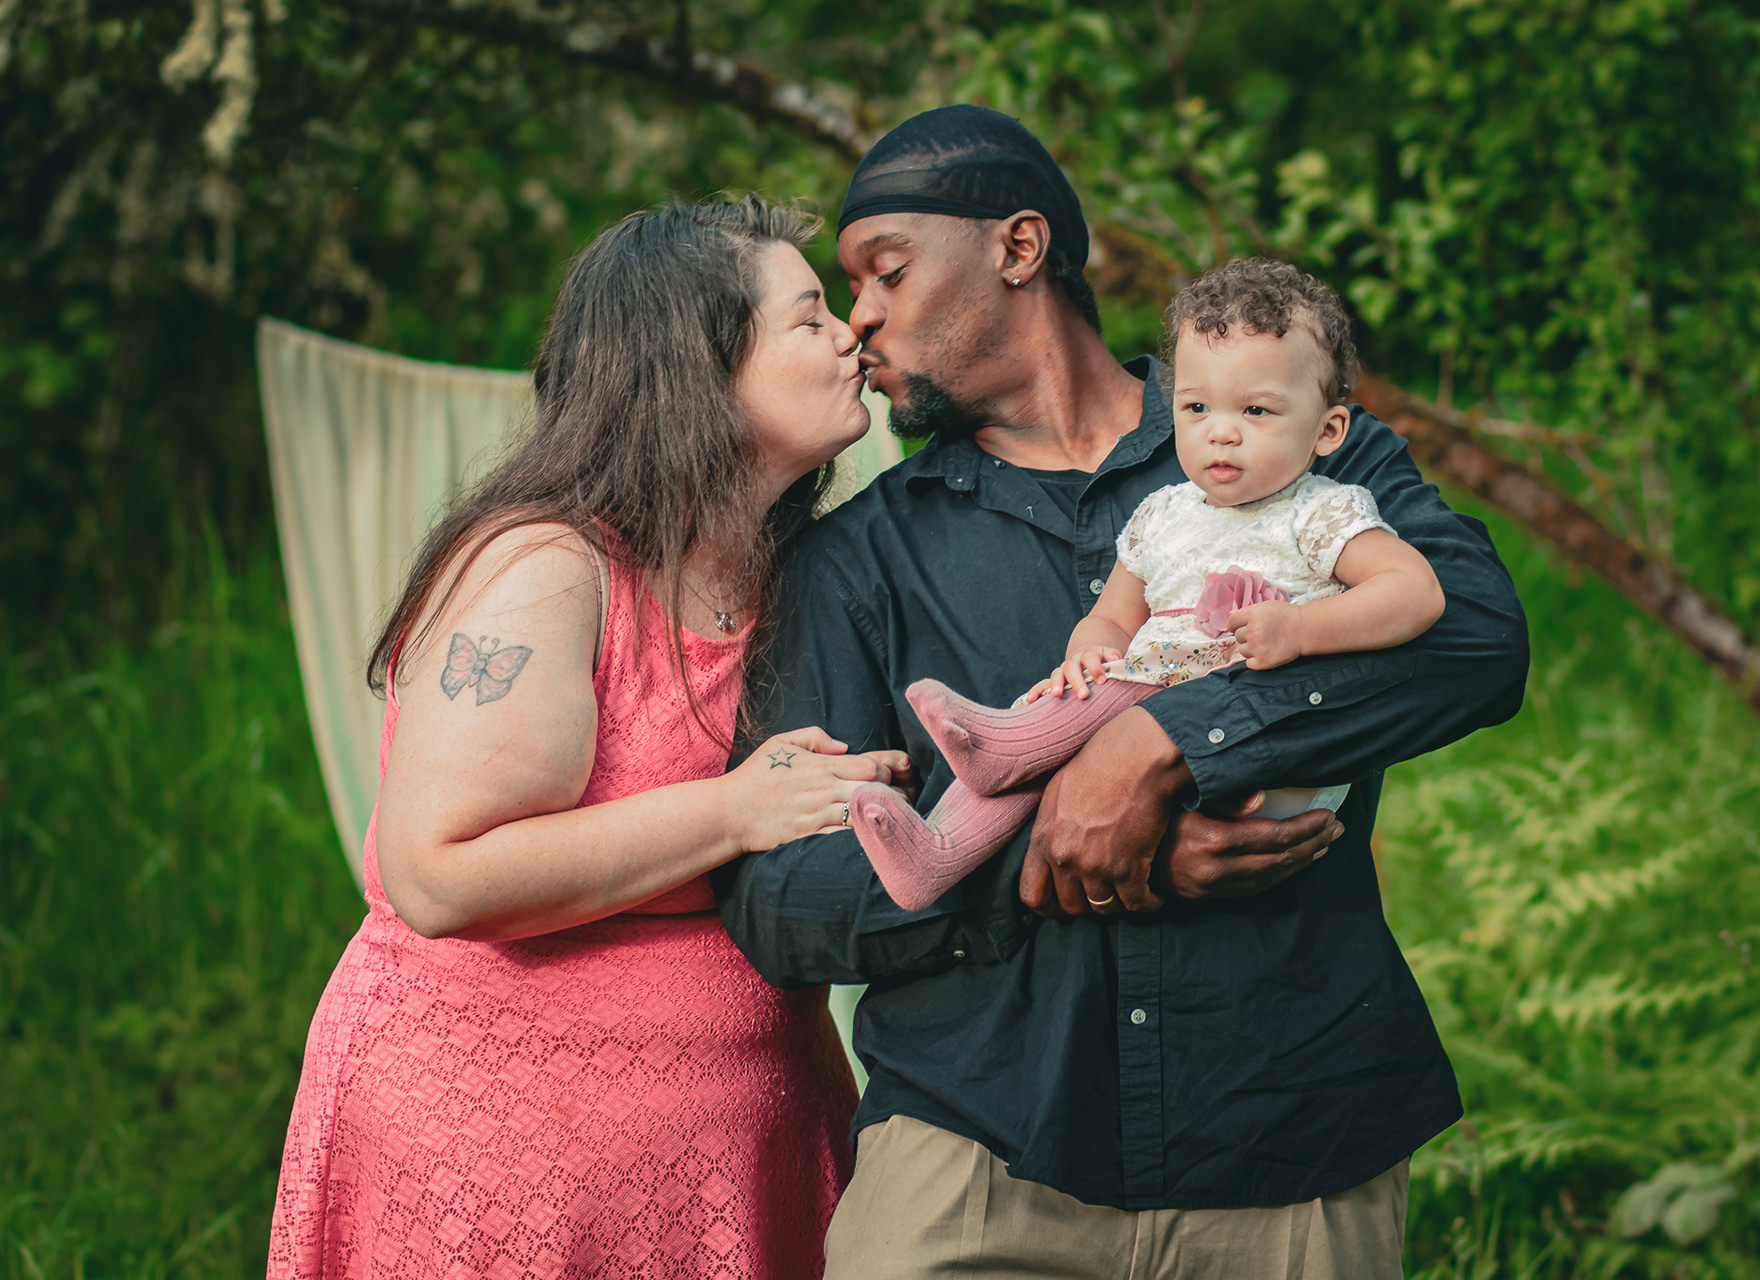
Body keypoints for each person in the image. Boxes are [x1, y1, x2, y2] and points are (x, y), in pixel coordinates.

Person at [714, 106, 1530, 1279]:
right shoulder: (854, 559)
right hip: (974, 1162)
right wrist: (1051, 850)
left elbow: (1478, 640)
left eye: (887, 271)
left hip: (1291, 1143)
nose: (861, 320)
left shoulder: (1302, 444)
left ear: (1019, 246)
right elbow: (781, 899)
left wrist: (1161, 746)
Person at [268, 197, 909, 1279]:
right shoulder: (546, 567)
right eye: (809, 317)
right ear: (698, 368)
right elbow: (440, 873)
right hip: (497, 1170)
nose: (851, 333)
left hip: (736, 1162)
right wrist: (736, 809)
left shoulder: (807, 571)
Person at [849, 258, 1447, 911]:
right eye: (1196, 407)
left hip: (1265, 751)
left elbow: (1414, 592)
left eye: (1255, 409)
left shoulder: (1318, 513)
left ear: (1327, 430)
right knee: (1067, 715)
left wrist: (1301, 629)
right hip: (1156, 705)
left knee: (1070, 722)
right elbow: (1113, 618)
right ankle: (935, 855)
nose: (1221, 431)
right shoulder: (1162, 514)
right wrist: (1087, 655)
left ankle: (1003, 744)